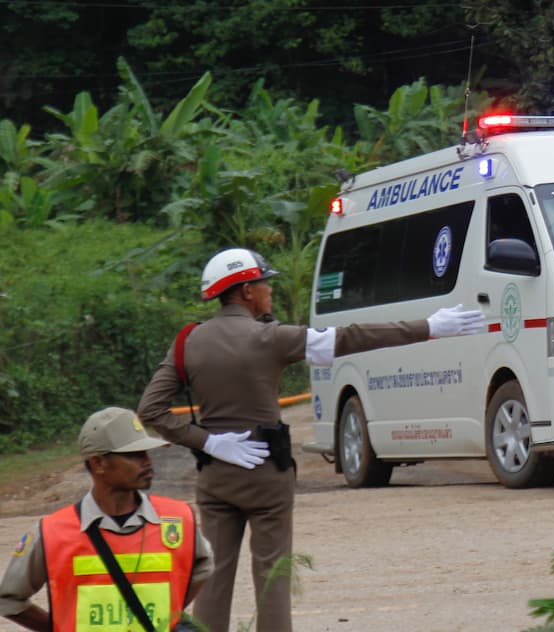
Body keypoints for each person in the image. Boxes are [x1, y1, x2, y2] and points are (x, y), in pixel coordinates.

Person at [137, 247, 484, 632]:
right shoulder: (272, 337)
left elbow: (151, 410)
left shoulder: (189, 342)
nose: (270, 290)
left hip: (216, 476)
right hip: (267, 474)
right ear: (246, 291)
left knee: (214, 577)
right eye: (265, 282)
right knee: (273, 575)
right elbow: (354, 337)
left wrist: (210, 442)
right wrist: (430, 327)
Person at [0, 407, 213, 631]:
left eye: (146, 453)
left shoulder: (178, 519)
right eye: (134, 455)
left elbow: (203, 566)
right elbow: (9, 599)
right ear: (98, 463)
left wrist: (166, 617)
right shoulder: (51, 532)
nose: (148, 462)